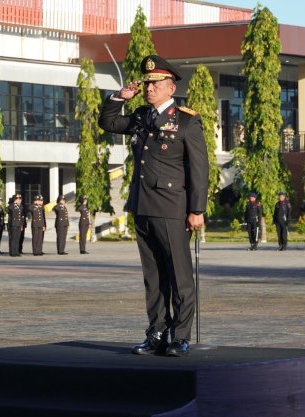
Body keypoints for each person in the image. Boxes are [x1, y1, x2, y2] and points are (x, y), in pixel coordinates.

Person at [98, 54, 209, 357]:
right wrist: (119, 98)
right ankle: (157, 332)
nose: (149, 88)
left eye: (155, 84)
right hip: (143, 205)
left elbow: (199, 169)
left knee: (179, 276)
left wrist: (197, 210)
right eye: (147, 84)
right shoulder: (140, 117)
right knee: (153, 276)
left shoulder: (186, 121)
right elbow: (108, 122)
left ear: (171, 88)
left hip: (172, 207)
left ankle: (180, 336)